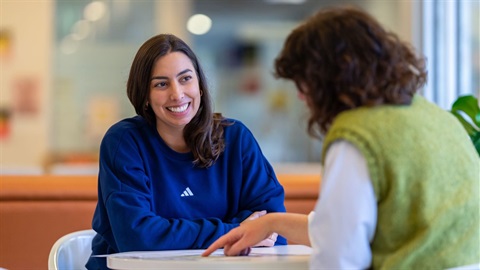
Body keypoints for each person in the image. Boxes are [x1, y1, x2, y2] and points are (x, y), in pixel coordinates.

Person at [202, 5, 480, 269]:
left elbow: (339, 256)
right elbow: (344, 228)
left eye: (303, 82)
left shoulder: (357, 135)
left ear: (327, 78)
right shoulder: (435, 117)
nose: (300, 95)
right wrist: (270, 223)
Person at [86, 34, 286, 269]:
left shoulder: (236, 139)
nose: (177, 94)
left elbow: (273, 230)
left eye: (185, 79)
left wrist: (171, 232)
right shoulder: (124, 142)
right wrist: (238, 230)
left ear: (200, 86)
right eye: (161, 84)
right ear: (145, 96)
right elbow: (137, 238)